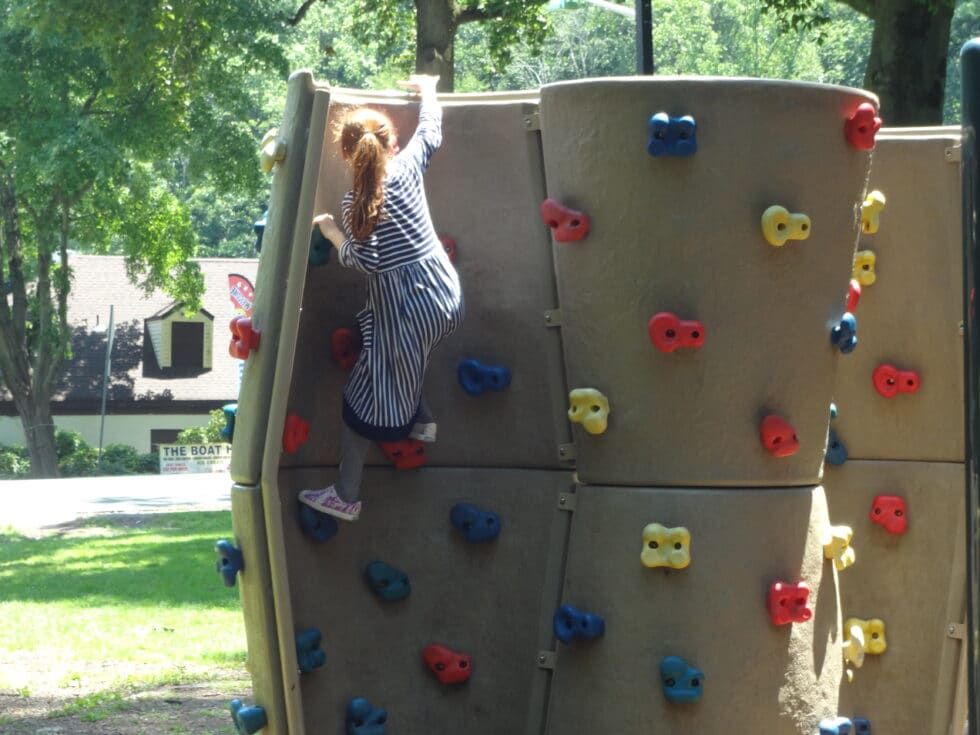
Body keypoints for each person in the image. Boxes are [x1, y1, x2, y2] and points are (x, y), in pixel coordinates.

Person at [299, 74, 463, 521]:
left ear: (347, 154)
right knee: (382, 338)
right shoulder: (408, 166)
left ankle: (346, 495)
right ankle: (421, 418)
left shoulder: (357, 202)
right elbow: (431, 129)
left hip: (406, 311)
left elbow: (365, 262)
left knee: (361, 398)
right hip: (444, 295)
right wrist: (428, 89)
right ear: (393, 144)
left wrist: (331, 232)